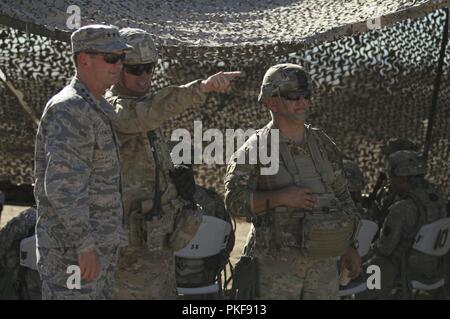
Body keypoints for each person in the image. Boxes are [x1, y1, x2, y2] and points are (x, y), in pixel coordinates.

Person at [105, 27, 240, 299]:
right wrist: (202, 87)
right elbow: (153, 110)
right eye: (135, 69)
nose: (144, 76)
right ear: (117, 67)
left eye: (149, 67)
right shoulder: (116, 109)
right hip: (129, 252)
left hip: (155, 246)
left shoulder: (139, 108)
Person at [224, 63, 361, 300]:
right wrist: (280, 198)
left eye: (306, 95)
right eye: (293, 96)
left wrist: (349, 245)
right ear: (271, 102)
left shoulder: (322, 144)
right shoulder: (256, 149)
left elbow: (342, 194)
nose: (303, 102)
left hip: (323, 267)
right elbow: (234, 201)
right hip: (275, 271)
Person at [34, 24, 131, 300]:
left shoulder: (96, 106)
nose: (119, 65)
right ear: (84, 59)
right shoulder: (71, 108)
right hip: (71, 253)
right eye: (111, 58)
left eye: (122, 57)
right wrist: (85, 245)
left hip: (96, 248)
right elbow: (63, 187)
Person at [357, 150, 447, 299]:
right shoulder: (438, 199)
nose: (390, 181)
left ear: (403, 177)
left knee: (371, 267)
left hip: (407, 267)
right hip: (434, 266)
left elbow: (385, 249)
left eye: (392, 176)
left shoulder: (402, 208)